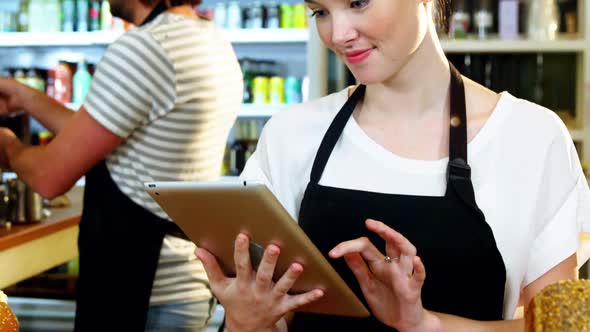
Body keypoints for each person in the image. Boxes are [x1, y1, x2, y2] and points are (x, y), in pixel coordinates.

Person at [195, 0, 590, 331]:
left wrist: (426, 324)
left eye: (357, 3)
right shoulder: (291, 136)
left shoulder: (531, 138)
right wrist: (247, 322)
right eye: (320, 12)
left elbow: (559, 327)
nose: (337, 34)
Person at [0, 0, 243, 330]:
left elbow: (47, 178)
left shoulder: (145, 48)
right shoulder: (208, 38)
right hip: (183, 283)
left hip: (140, 291)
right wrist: (26, 98)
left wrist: (9, 146)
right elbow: (103, 132)